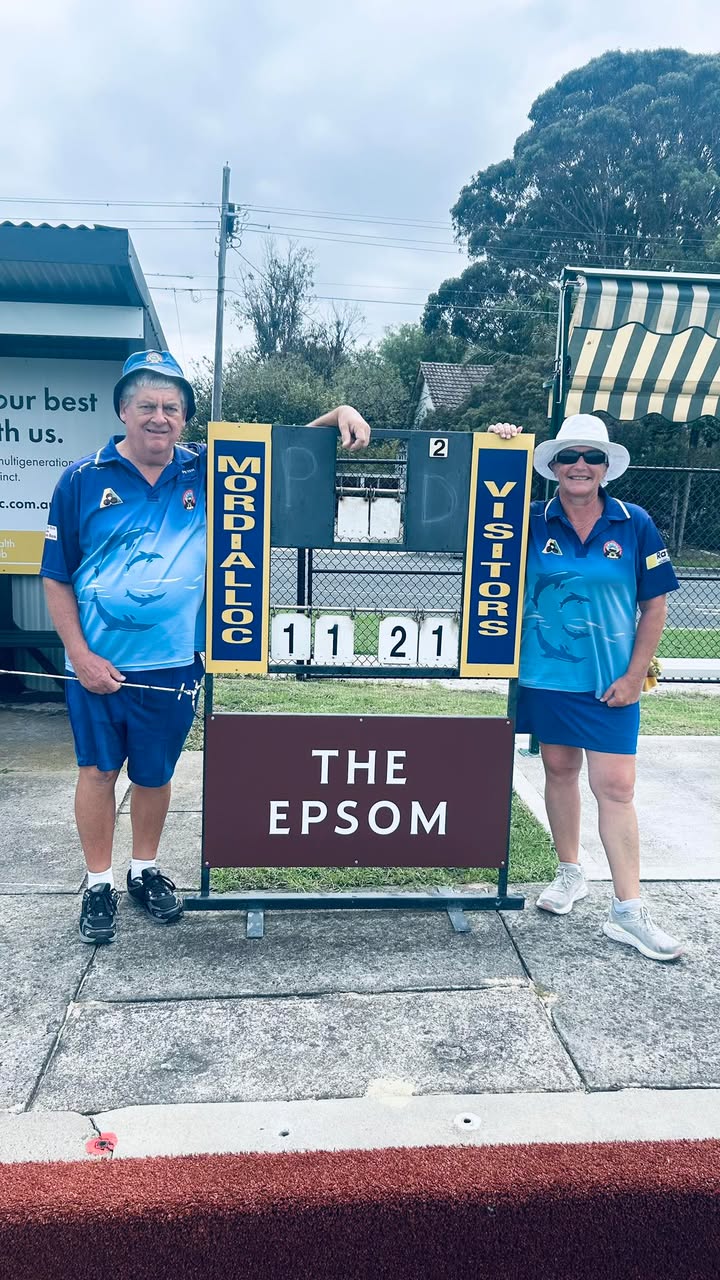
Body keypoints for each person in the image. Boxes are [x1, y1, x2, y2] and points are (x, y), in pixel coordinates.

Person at [40, 350, 371, 945]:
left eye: (171, 407)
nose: (159, 417)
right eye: (147, 405)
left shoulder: (206, 472)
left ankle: (143, 871)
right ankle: (97, 882)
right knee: (96, 771)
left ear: (184, 419)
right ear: (123, 410)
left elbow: (283, 448)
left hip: (173, 661)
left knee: (155, 773)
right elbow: (56, 575)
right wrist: (81, 656)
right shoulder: (81, 479)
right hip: (96, 663)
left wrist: (339, 410)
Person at [489, 414, 684, 962]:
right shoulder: (526, 520)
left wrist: (633, 675)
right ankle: (570, 872)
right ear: (552, 465)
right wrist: (497, 445)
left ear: (605, 468)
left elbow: (655, 604)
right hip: (548, 678)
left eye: (591, 457)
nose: (580, 465)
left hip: (610, 683)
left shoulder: (634, 522)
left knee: (616, 787)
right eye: (569, 455)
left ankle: (628, 911)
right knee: (559, 771)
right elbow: (475, 517)